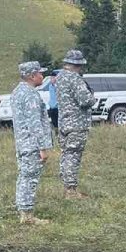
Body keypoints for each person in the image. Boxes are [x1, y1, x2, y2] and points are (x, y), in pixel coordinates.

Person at [9, 61, 52, 225]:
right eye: (40, 73)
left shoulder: (17, 92)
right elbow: (35, 123)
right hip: (32, 145)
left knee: (24, 177)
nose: (42, 76)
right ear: (32, 76)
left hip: (22, 143)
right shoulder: (30, 94)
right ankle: (27, 215)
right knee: (30, 179)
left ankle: (23, 210)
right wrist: (42, 147)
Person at [55, 49, 95, 200]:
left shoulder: (59, 77)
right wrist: (92, 98)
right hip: (77, 123)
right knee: (74, 155)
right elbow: (85, 100)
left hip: (64, 122)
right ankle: (71, 191)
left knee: (66, 154)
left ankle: (66, 186)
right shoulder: (75, 79)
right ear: (76, 65)